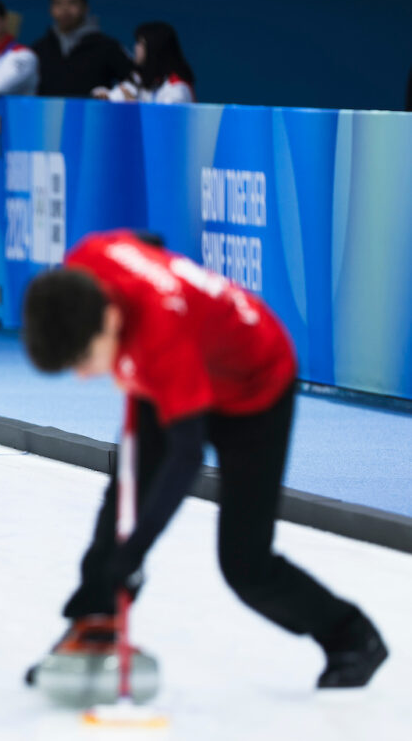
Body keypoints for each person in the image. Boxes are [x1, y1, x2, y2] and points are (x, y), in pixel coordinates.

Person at [21, 230, 388, 689]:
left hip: (254, 389)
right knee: (122, 500)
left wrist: (137, 551)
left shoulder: (161, 331)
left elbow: (186, 457)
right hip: (180, 363)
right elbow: (145, 241)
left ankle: (353, 636)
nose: (82, 377)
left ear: (111, 320)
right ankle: (95, 626)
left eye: (84, 361)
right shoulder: (85, 261)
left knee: (244, 563)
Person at [30, 0, 132, 98]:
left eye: (72, 2)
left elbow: (132, 82)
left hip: (93, 115)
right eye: (58, 3)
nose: (65, 9)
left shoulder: (107, 46)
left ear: (85, 8)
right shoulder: (39, 48)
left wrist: (113, 96)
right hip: (48, 115)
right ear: (51, 9)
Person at [93, 22, 195, 104]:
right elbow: (118, 95)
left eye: (140, 43)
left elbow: (166, 123)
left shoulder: (177, 86)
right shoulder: (141, 78)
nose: (135, 47)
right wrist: (104, 96)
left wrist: (135, 107)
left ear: (155, 48)